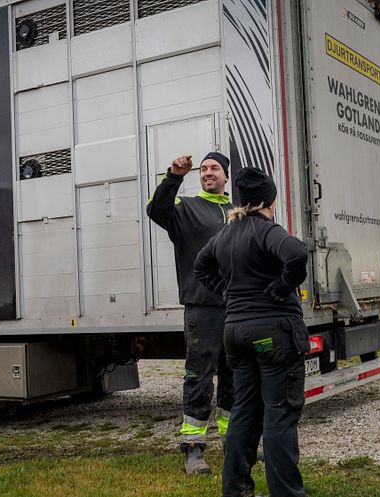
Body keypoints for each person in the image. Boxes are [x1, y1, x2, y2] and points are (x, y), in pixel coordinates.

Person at [194, 167, 309, 497]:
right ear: (270, 198)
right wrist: (281, 286)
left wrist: (227, 292)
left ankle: (236, 490)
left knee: (245, 410)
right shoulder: (265, 229)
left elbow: (201, 267)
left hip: (236, 333)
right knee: (279, 413)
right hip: (274, 332)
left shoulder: (225, 235)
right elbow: (297, 253)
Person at [146, 152, 235, 474]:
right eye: (204, 169)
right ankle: (193, 449)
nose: (208, 173)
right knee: (199, 378)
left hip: (238, 308)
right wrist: (173, 176)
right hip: (203, 308)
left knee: (234, 378)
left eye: (215, 168)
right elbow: (156, 210)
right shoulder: (185, 208)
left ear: (227, 176)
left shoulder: (236, 211)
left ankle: (234, 442)